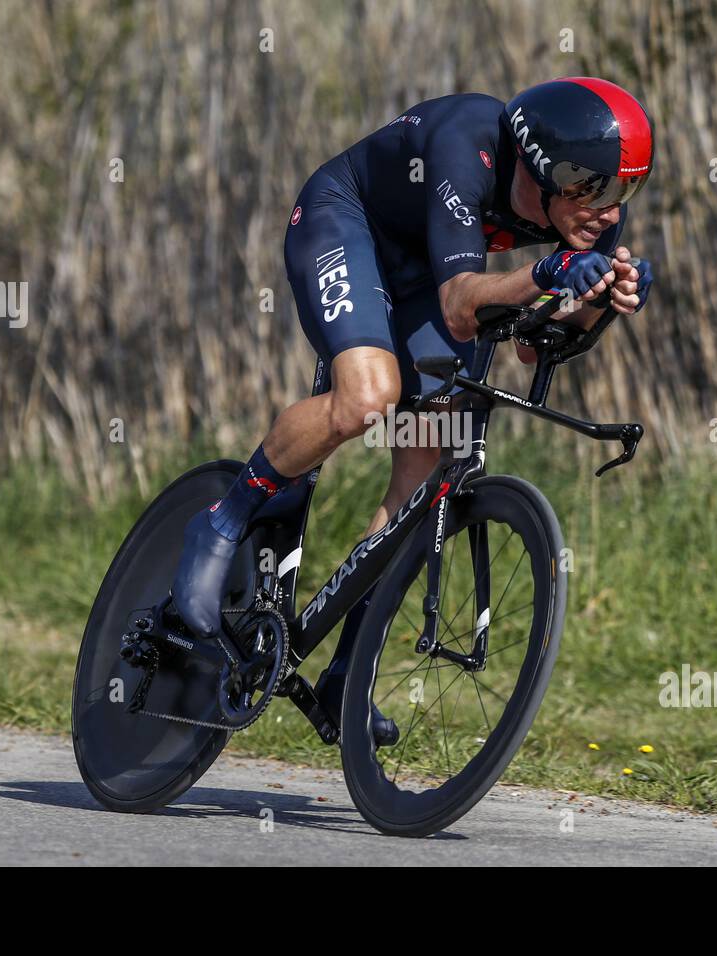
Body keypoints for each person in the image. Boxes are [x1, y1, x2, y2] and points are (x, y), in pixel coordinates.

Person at [171, 76, 656, 741]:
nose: (609, 209)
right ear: (544, 168)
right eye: (596, 187)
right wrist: (546, 275)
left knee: (429, 463)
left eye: (625, 190)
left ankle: (348, 672)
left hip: (428, 270)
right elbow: (462, 307)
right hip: (348, 223)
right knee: (368, 398)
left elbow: (531, 353)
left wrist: (602, 296)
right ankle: (220, 525)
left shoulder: (593, 215)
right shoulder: (468, 145)